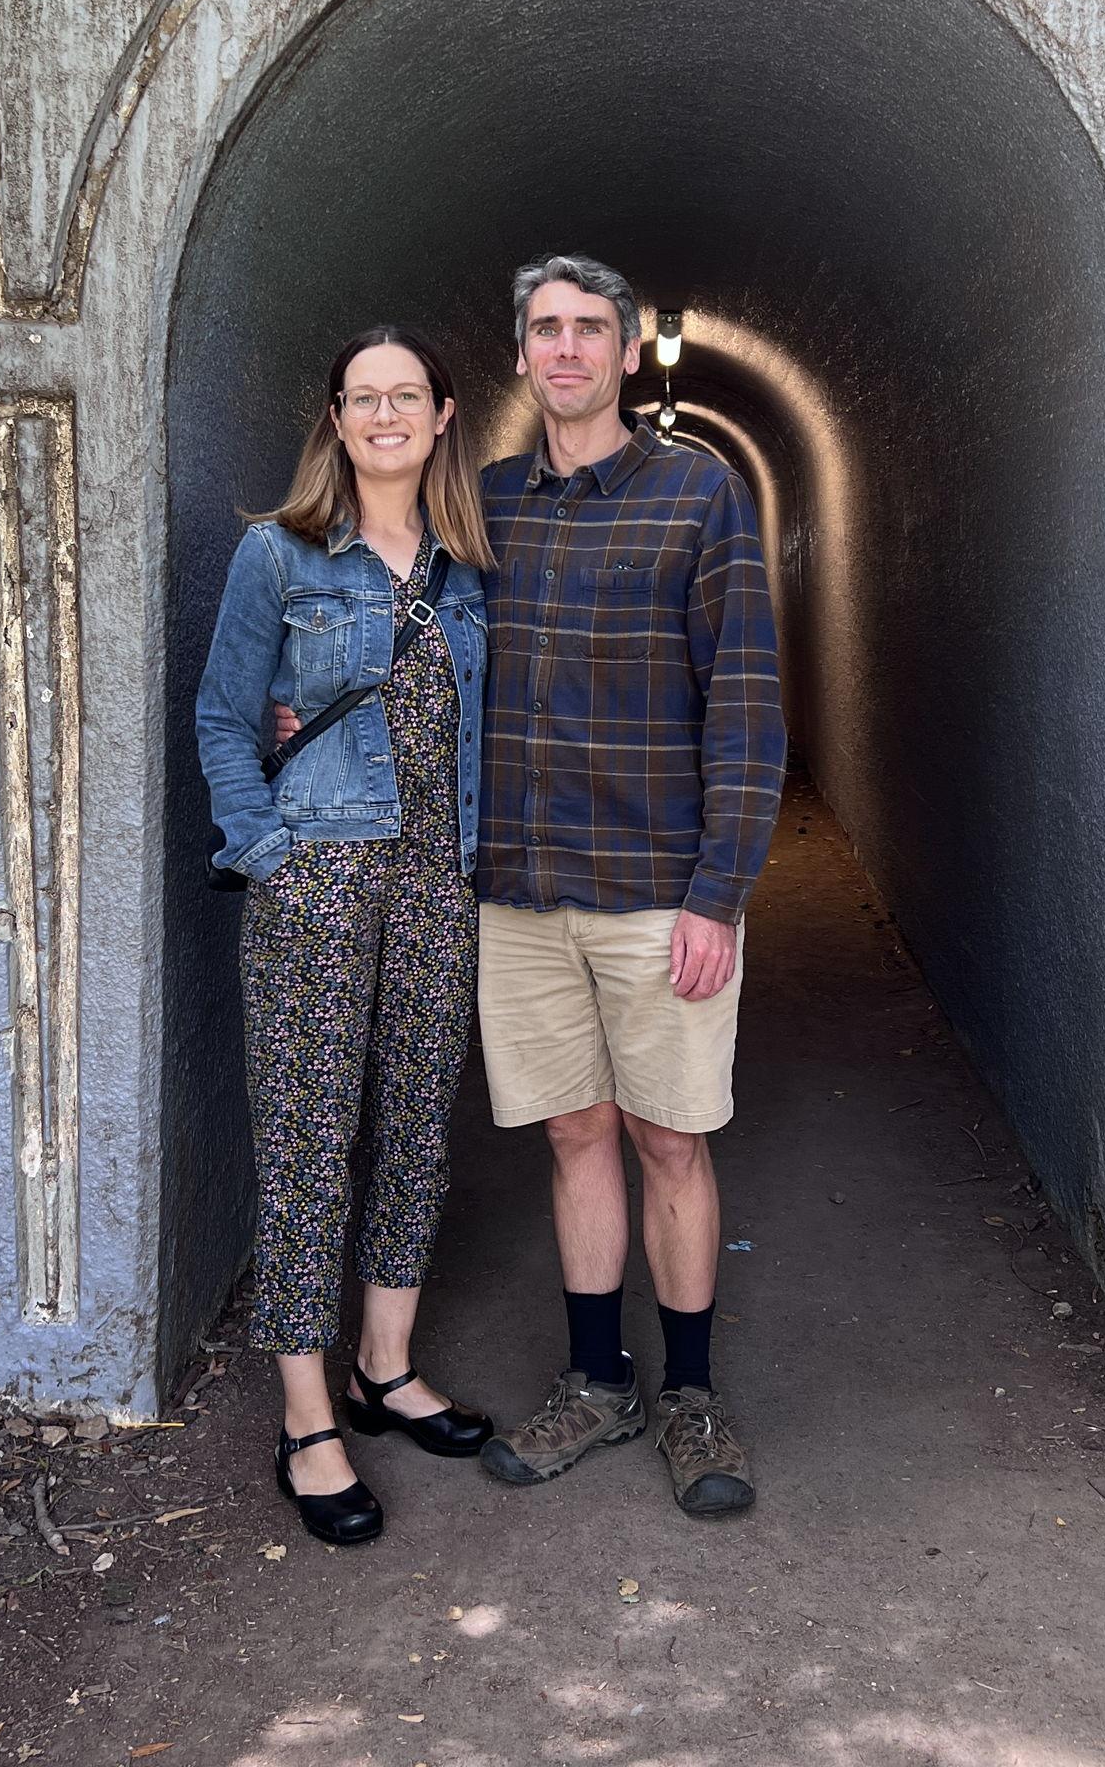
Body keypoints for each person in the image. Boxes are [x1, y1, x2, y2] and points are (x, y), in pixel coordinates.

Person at [474, 254, 786, 1516]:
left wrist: (722, 888)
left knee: (669, 1135)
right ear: (519, 356)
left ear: (621, 350)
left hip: (659, 886)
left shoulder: (697, 494)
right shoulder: (481, 504)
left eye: (586, 329)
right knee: (572, 1130)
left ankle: (692, 1396)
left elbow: (748, 707)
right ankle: (595, 1380)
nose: (565, 349)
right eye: (543, 328)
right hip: (522, 887)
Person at [195, 326, 495, 1547]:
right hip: (316, 881)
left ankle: (386, 1361)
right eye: (361, 397)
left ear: (440, 417)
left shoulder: (466, 568)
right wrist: (270, 857)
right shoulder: (278, 556)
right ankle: (308, 1416)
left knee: (418, 1119)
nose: (383, 414)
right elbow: (222, 719)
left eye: (404, 396)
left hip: (437, 878)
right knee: (313, 1132)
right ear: (336, 417)